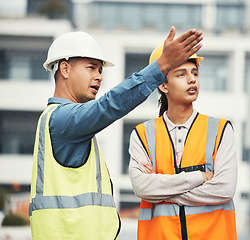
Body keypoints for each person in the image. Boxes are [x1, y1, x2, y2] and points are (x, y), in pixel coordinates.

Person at [28, 27, 203, 240]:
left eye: (100, 71)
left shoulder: (59, 121)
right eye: (92, 68)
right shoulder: (62, 120)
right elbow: (110, 105)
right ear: (65, 69)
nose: (99, 77)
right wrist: (161, 66)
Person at [129, 43, 238, 240]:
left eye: (194, 73)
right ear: (163, 85)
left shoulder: (221, 130)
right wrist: (201, 178)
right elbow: (142, 188)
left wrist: (160, 194)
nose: (192, 79)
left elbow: (224, 189)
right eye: (181, 74)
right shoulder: (143, 135)